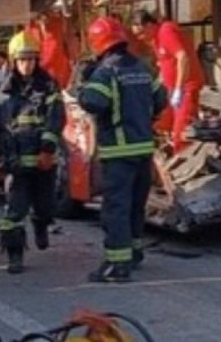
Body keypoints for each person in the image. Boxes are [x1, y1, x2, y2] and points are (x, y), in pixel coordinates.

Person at [77, 16, 167, 282]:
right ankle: (135, 253)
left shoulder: (106, 72)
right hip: (143, 149)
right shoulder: (141, 68)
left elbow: (93, 102)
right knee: (135, 205)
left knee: (116, 208)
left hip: (118, 151)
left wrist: (84, 83)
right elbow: (160, 99)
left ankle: (117, 265)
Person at [0, 31, 65, 274]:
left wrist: (47, 150)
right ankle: (15, 255)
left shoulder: (48, 86)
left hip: (42, 161)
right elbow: (0, 127)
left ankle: (41, 223)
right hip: (16, 163)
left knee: (46, 206)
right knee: (13, 212)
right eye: (23, 59)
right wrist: (4, 156)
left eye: (32, 59)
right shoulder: (4, 92)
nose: (28, 64)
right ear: (14, 61)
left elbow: (55, 119)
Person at [130, 10, 205, 152]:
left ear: (148, 25)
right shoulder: (156, 40)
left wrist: (178, 89)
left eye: (141, 33)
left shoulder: (166, 32)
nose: (140, 38)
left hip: (186, 89)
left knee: (181, 134)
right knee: (160, 126)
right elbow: (164, 65)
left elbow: (182, 58)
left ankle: (185, 165)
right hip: (173, 90)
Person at [26, 11, 74, 89]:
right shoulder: (30, 28)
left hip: (61, 77)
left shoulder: (58, 23)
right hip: (41, 80)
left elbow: (71, 45)